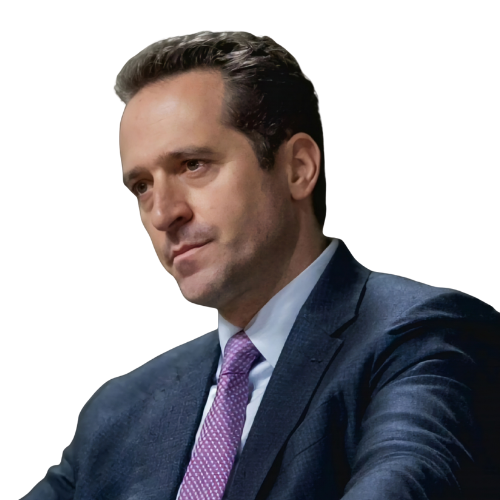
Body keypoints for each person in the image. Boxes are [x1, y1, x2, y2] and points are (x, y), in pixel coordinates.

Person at [21, 31, 500, 500]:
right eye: (142, 186)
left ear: (298, 168)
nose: (164, 213)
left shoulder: (429, 340)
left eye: (193, 165)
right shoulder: (118, 411)